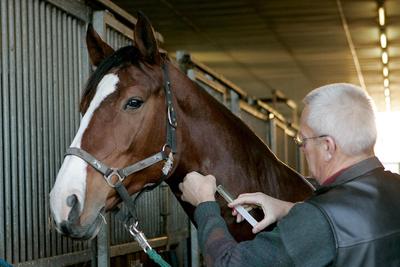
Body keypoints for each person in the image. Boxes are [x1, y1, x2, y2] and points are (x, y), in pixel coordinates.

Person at [179, 83, 400, 266]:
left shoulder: (316, 221)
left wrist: (204, 203)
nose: (301, 148)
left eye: (302, 140)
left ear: (328, 147)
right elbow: (352, 219)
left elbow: (229, 264)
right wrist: (286, 208)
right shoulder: (395, 186)